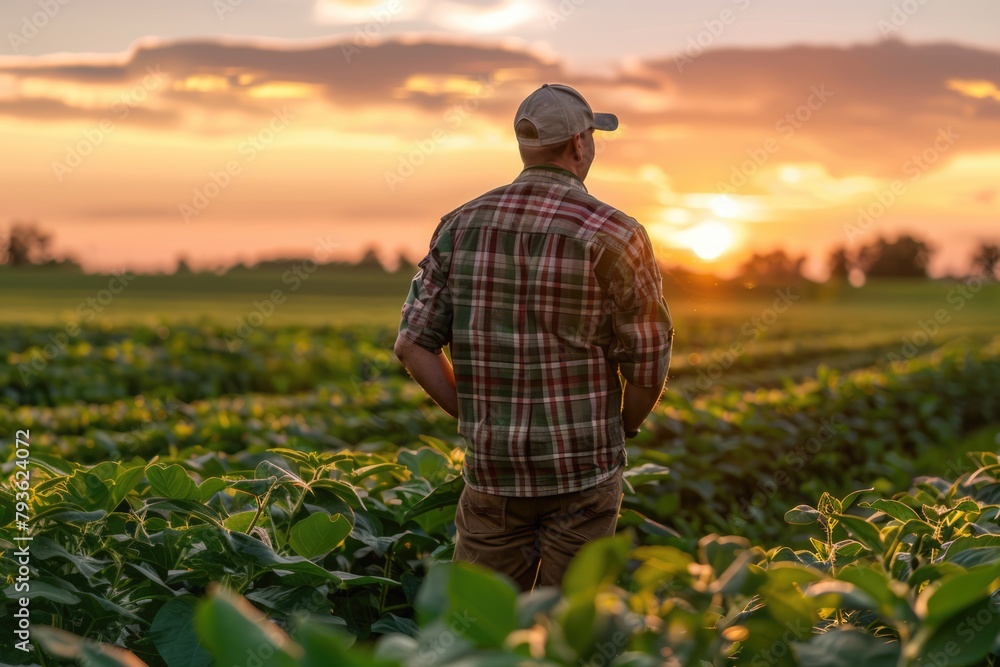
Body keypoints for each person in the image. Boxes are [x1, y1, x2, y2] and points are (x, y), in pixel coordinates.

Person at [394, 83, 673, 591]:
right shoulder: (615, 232)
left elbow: (412, 344)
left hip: (493, 472)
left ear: (525, 146)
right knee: (568, 626)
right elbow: (648, 363)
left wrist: (475, 415)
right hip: (583, 471)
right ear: (579, 145)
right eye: (591, 136)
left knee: (482, 629)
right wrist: (623, 427)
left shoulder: (460, 225)